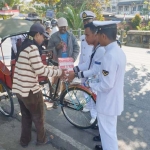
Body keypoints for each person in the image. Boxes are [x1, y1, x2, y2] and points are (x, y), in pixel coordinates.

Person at [12, 23, 66, 148]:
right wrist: (58, 71)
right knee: (39, 117)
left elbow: (36, 66)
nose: (44, 39)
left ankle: (24, 140)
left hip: (20, 89)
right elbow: (40, 70)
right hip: (30, 90)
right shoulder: (33, 48)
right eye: (43, 36)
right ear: (37, 35)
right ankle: (41, 140)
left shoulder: (24, 45)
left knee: (26, 117)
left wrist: (52, 68)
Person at [89, 21, 126, 150]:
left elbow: (106, 84)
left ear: (103, 36)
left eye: (98, 35)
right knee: (109, 133)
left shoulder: (109, 56)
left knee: (108, 134)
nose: (97, 38)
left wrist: (91, 84)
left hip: (107, 103)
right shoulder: (118, 52)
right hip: (113, 101)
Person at [67, 22, 105, 125]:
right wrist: (74, 69)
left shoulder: (101, 50)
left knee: (95, 101)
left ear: (96, 34)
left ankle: (96, 119)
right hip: (93, 79)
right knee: (90, 97)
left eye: (87, 35)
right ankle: (95, 118)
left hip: (99, 81)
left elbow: (94, 70)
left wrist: (76, 74)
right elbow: (88, 63)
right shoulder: (95, 48)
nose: (85, 38)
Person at [47, 17, 80, 92]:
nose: (63, 29)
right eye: (61, 27)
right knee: (55, 81)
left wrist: (73, 58)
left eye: (64, 27)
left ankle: (62, 98)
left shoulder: (71, 36)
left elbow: (77, 48)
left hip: (68, 63)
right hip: (57, 63)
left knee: (66, 81)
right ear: (58, 27)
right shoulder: (53, 36)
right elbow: (49, 50)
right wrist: (57, 47)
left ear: (67, 27)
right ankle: (54, 98)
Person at [79, 11, 98, 125]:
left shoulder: (97, 35)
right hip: (84, 67)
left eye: (88, 21)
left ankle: (94, 115)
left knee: (93, 92)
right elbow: (83, 54)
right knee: (84, 90)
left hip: (93, 69)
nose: (86, 23)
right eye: (85, 21)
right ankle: (88, 106)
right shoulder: (82, 36)